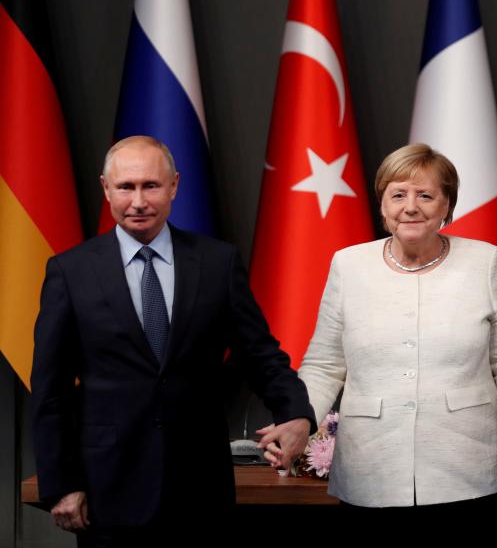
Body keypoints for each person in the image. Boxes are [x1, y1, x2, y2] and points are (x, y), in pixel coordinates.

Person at [30, 136, 314, 547]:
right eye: (126, 187)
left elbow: (260, 355)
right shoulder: (69, 272)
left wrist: (297, 413)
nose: (139, 201)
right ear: (106, 189)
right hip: (107, 491)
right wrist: (61, 484)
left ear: (175, 186)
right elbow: (50, 390)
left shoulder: (218, 263)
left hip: (200, 488)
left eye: (151, 185)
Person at [285, 143, 497, 539]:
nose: (411, 206)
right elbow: (325, 364)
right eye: (398, 194)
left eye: (426, 195)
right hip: (371, 472)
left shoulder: (485, 261)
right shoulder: (348, 264)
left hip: (472, 472)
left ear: (447, 205)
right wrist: (298, 420)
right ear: (383, 205)